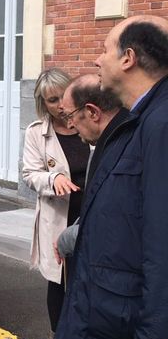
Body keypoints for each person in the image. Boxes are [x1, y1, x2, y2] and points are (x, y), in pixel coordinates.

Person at [54, 15, 168, 339]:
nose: (97, 60)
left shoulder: (159, 125)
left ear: (128, 58)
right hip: (113, 334)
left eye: (104, 50)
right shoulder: (139, 121)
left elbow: (161, 253)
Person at [22, 68, 90, 339]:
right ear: (43, 103)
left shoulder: (91, 122)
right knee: (59, 282)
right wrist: (54, 178)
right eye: (52, 100)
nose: (60, 106)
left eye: (62, 97)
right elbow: (29, 174)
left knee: (88, 279)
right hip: (59, 218)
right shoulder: (37, 132)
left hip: (93, 214)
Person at [53, 74, 128, 260]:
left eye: (70, 116)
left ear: (93, 113)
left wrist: (67, 239)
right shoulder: (107, 143)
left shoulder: (121, 149)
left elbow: (109, 225)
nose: (69, 124)